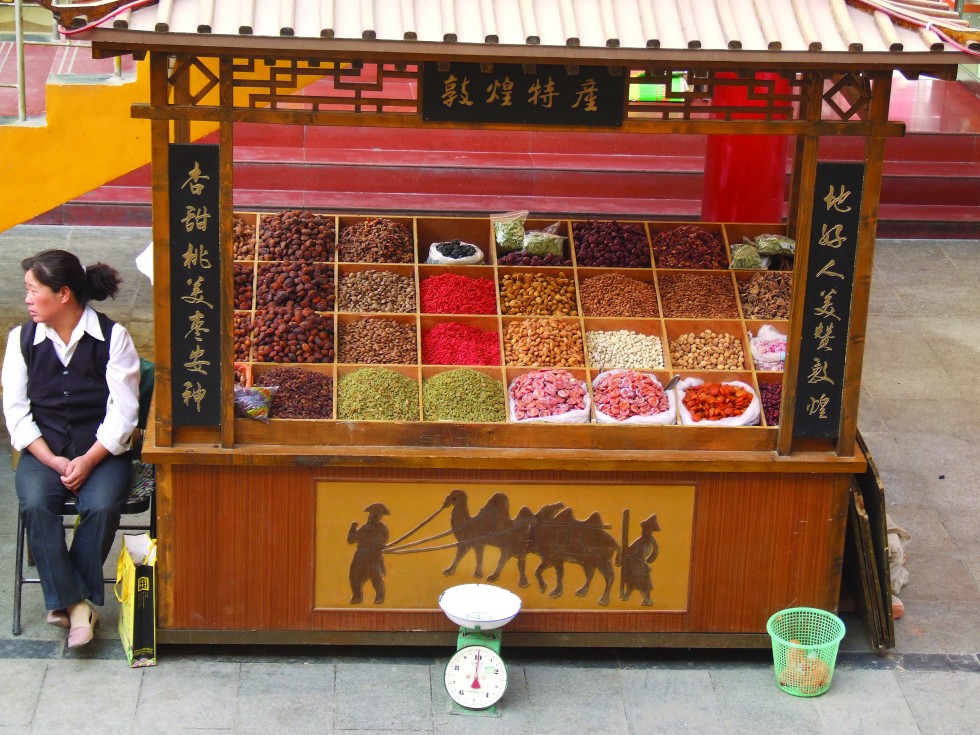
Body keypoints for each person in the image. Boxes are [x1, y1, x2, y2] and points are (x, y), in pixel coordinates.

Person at [2, 250, 140, 648]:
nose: (27, 299)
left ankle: (66, 602)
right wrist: (50, 458)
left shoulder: (114, 338)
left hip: (101, 452)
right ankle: (78, 605)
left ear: (63, 294)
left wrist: (90, 457)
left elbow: (124, 415)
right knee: (35, 503)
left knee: (100, 505)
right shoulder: (21, 340)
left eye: (33, 290)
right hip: (43, 451)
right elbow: (16, 413)